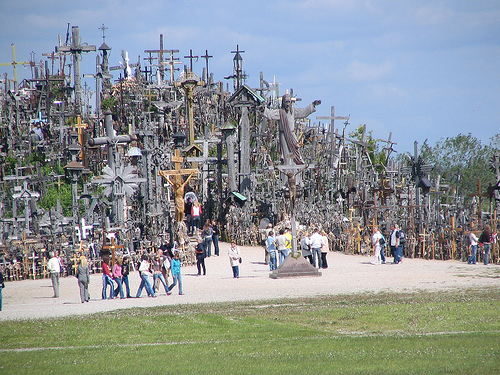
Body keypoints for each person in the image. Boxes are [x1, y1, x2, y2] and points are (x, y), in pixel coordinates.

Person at [262, 94, 320, 165]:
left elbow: (303, 112)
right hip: (284, 136)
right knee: (286, 153)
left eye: (288, 102)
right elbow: (270, 114)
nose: (287, 104)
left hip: (292, 135)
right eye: (286, 102)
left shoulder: (293, 112)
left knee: (296, 151)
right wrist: (263, 109)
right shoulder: (280, 112)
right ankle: (287, 165)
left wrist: (313, 105)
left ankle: (295, 164)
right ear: (283, 103)